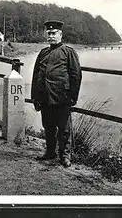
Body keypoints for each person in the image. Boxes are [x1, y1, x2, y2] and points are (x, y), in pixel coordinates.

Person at [31, 20, 82, 167]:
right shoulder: (43, 53)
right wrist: (35, 96)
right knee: (48, 127)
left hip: (61, 97)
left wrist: (72, 97)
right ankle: (50, 152)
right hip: (45, 97)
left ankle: (65, 156)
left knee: (64, 129)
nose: (51, 36)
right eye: (49, 34)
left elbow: (76, 75)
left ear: (60, 35)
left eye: (54, 33)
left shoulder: (68, 52)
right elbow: (36, 76)